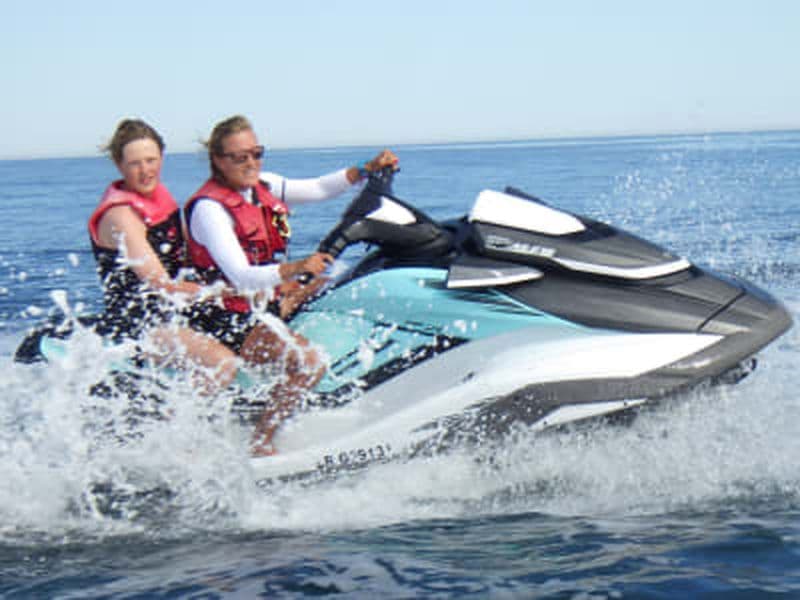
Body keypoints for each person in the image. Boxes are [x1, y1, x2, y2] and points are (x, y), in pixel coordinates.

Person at [185, 114, 398, 454]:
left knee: (341, 280)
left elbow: (318, 188)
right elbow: (241, 275)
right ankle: (262, 440)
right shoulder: (209, 210)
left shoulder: (263, 187)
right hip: (229, 321)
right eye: (240, 157)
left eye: (256, 153)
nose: (251, 163)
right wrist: (297, 268)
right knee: (309, 362)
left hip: (263, 304)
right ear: (218, 160)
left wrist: (366, 168)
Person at [88, 118, 240, 392]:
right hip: (138, 322)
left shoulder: (159, 197)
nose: (146, 171)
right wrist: (224, 291)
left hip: (174, 310)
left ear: (161, 157)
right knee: (222, 362)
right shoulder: (121, 217)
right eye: (135, 164)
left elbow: (189, 255)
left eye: (151, 160)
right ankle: (181, 418)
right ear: (120, 166)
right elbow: (161, 285)